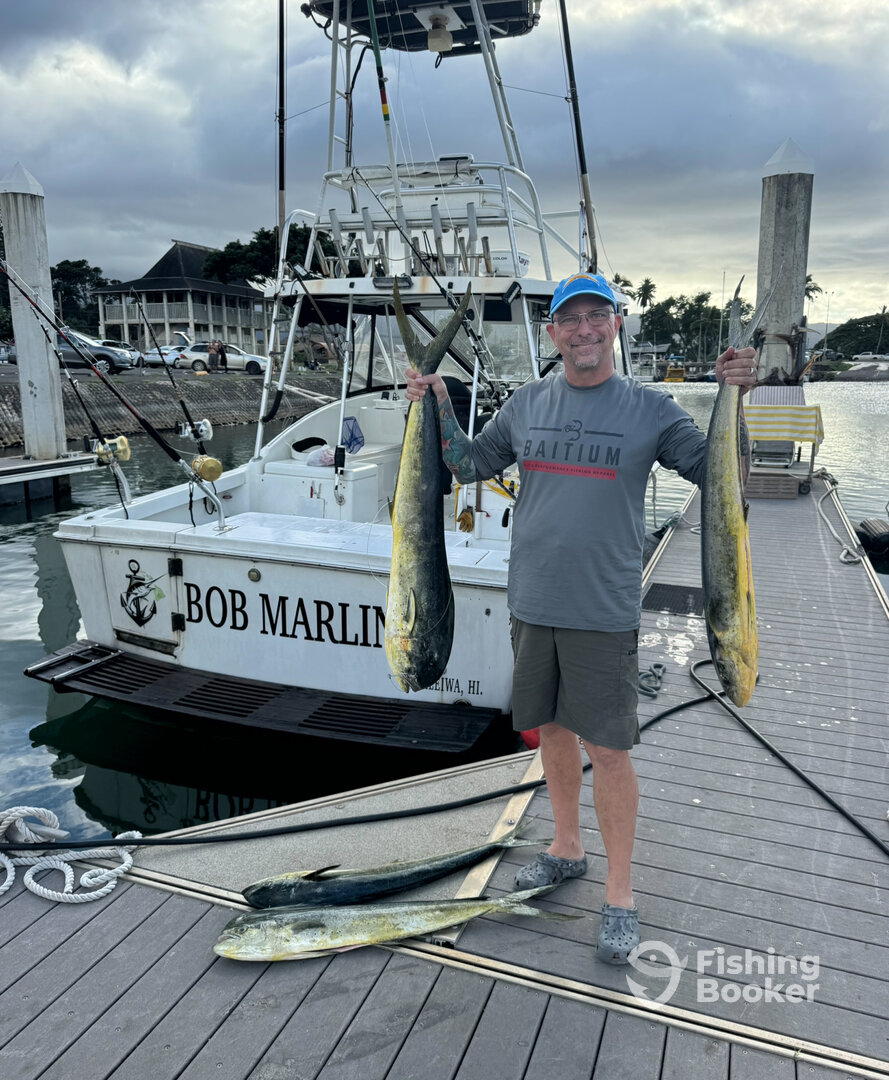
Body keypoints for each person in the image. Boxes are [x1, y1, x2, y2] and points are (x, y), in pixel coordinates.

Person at [404, 271, 756, 965]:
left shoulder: (650, 409)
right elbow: (465, 463)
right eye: (570, 319)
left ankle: (619, 894)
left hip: (602, 608)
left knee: (611, 751)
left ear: (615, 326)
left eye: (598, 316)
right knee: (551, 735)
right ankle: (564, 850)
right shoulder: (527, 403)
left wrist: (734, 400)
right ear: (553, 332)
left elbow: (722, 476)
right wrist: (439, 402)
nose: (584, 329)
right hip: (532, 602)